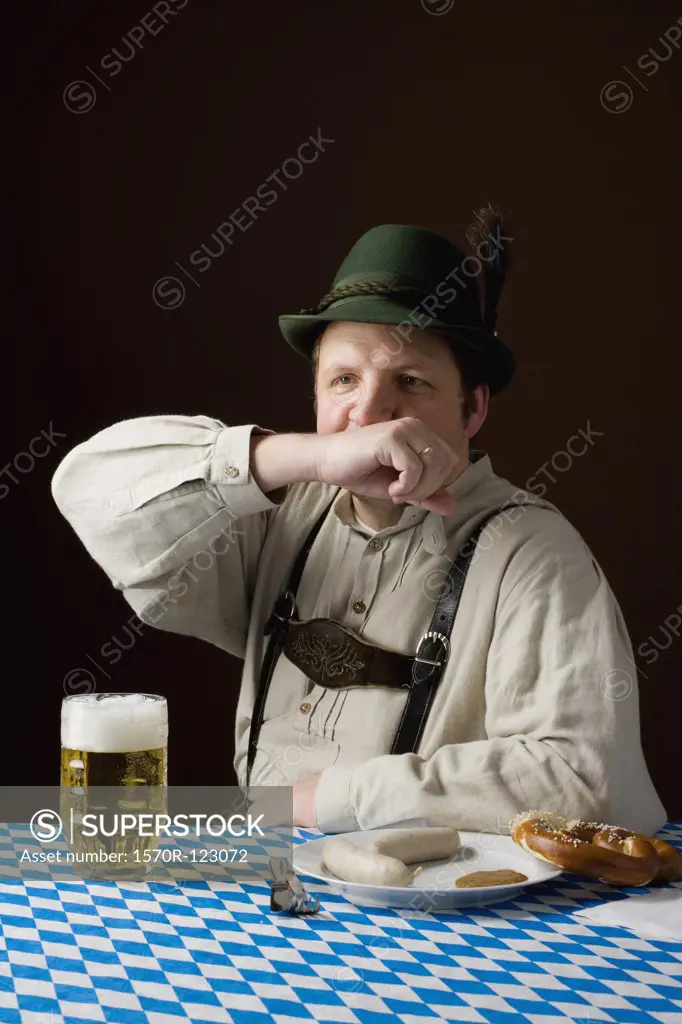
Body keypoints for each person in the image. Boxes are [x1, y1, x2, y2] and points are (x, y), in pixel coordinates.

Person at [52, 213, 667, 835]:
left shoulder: (532, 553)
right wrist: (306, 457)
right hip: (272, 884)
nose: (368, 412)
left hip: (448, 917)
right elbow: (91, 493)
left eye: (410, 381)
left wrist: (325, 801)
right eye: (344, 380)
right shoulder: (278, 517)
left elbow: (582, 779)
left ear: (472, 406)